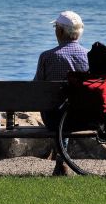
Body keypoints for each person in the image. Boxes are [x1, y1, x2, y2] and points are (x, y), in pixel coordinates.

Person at [34, 11, 89, 175]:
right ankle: (61, 160)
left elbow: (35, 87)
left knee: (59, 109)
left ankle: (62, 160)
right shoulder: (89, 56)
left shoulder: (47, 57)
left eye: (55, 27)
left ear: (60, 31)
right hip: (83, 117)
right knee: (70, 106)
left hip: (53, 118)